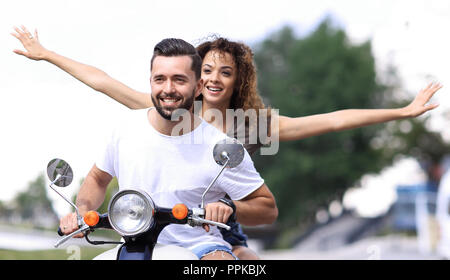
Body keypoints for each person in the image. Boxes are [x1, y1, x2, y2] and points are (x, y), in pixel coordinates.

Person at [11, 26, 443, 259]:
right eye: (209, 70)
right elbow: (102, 82)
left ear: (239, 80)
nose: (215, 78)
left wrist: (401, 111)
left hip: (220, 214)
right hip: (155, 217)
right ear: (196, 79)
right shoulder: (167, 108)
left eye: (226, 72)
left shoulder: (250, 123)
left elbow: (331, 121)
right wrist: (48, 54)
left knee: (241, 258)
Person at [57, 38, 278, 260]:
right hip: (134, 246)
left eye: (179, 80)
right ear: (151, 82)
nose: (168, 89)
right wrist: (82, 212)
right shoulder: (124, 130)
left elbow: (267, 209)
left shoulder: (221, 147)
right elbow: (97, 178)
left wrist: (229, 207)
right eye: (160, 79)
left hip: (200, 248)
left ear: (198, 86)